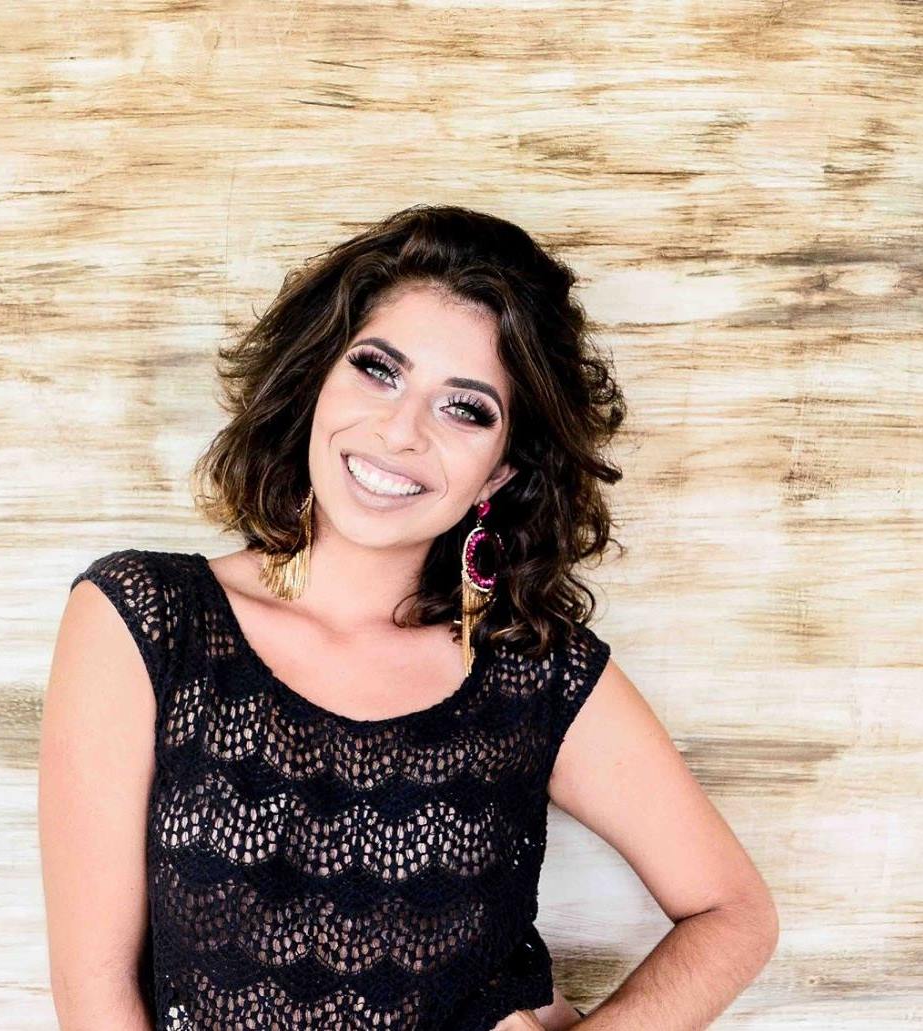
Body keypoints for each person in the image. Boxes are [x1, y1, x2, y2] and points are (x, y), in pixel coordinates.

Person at [39, 205, 778, 1030]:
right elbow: (94, 993)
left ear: (499, 471)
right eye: (377, 369)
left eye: (465, 408)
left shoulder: (528, 669)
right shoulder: (146, 620)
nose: (400, 431)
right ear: (315, 377)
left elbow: (734, 913)